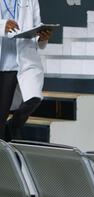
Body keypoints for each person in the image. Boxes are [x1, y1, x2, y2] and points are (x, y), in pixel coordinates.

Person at [0, 0, 52, 141]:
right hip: (3, 64)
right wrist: (3, 25)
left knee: (34, 98)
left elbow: (36, 27)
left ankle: (9, 131)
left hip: (25, 60)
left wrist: (41, 38)